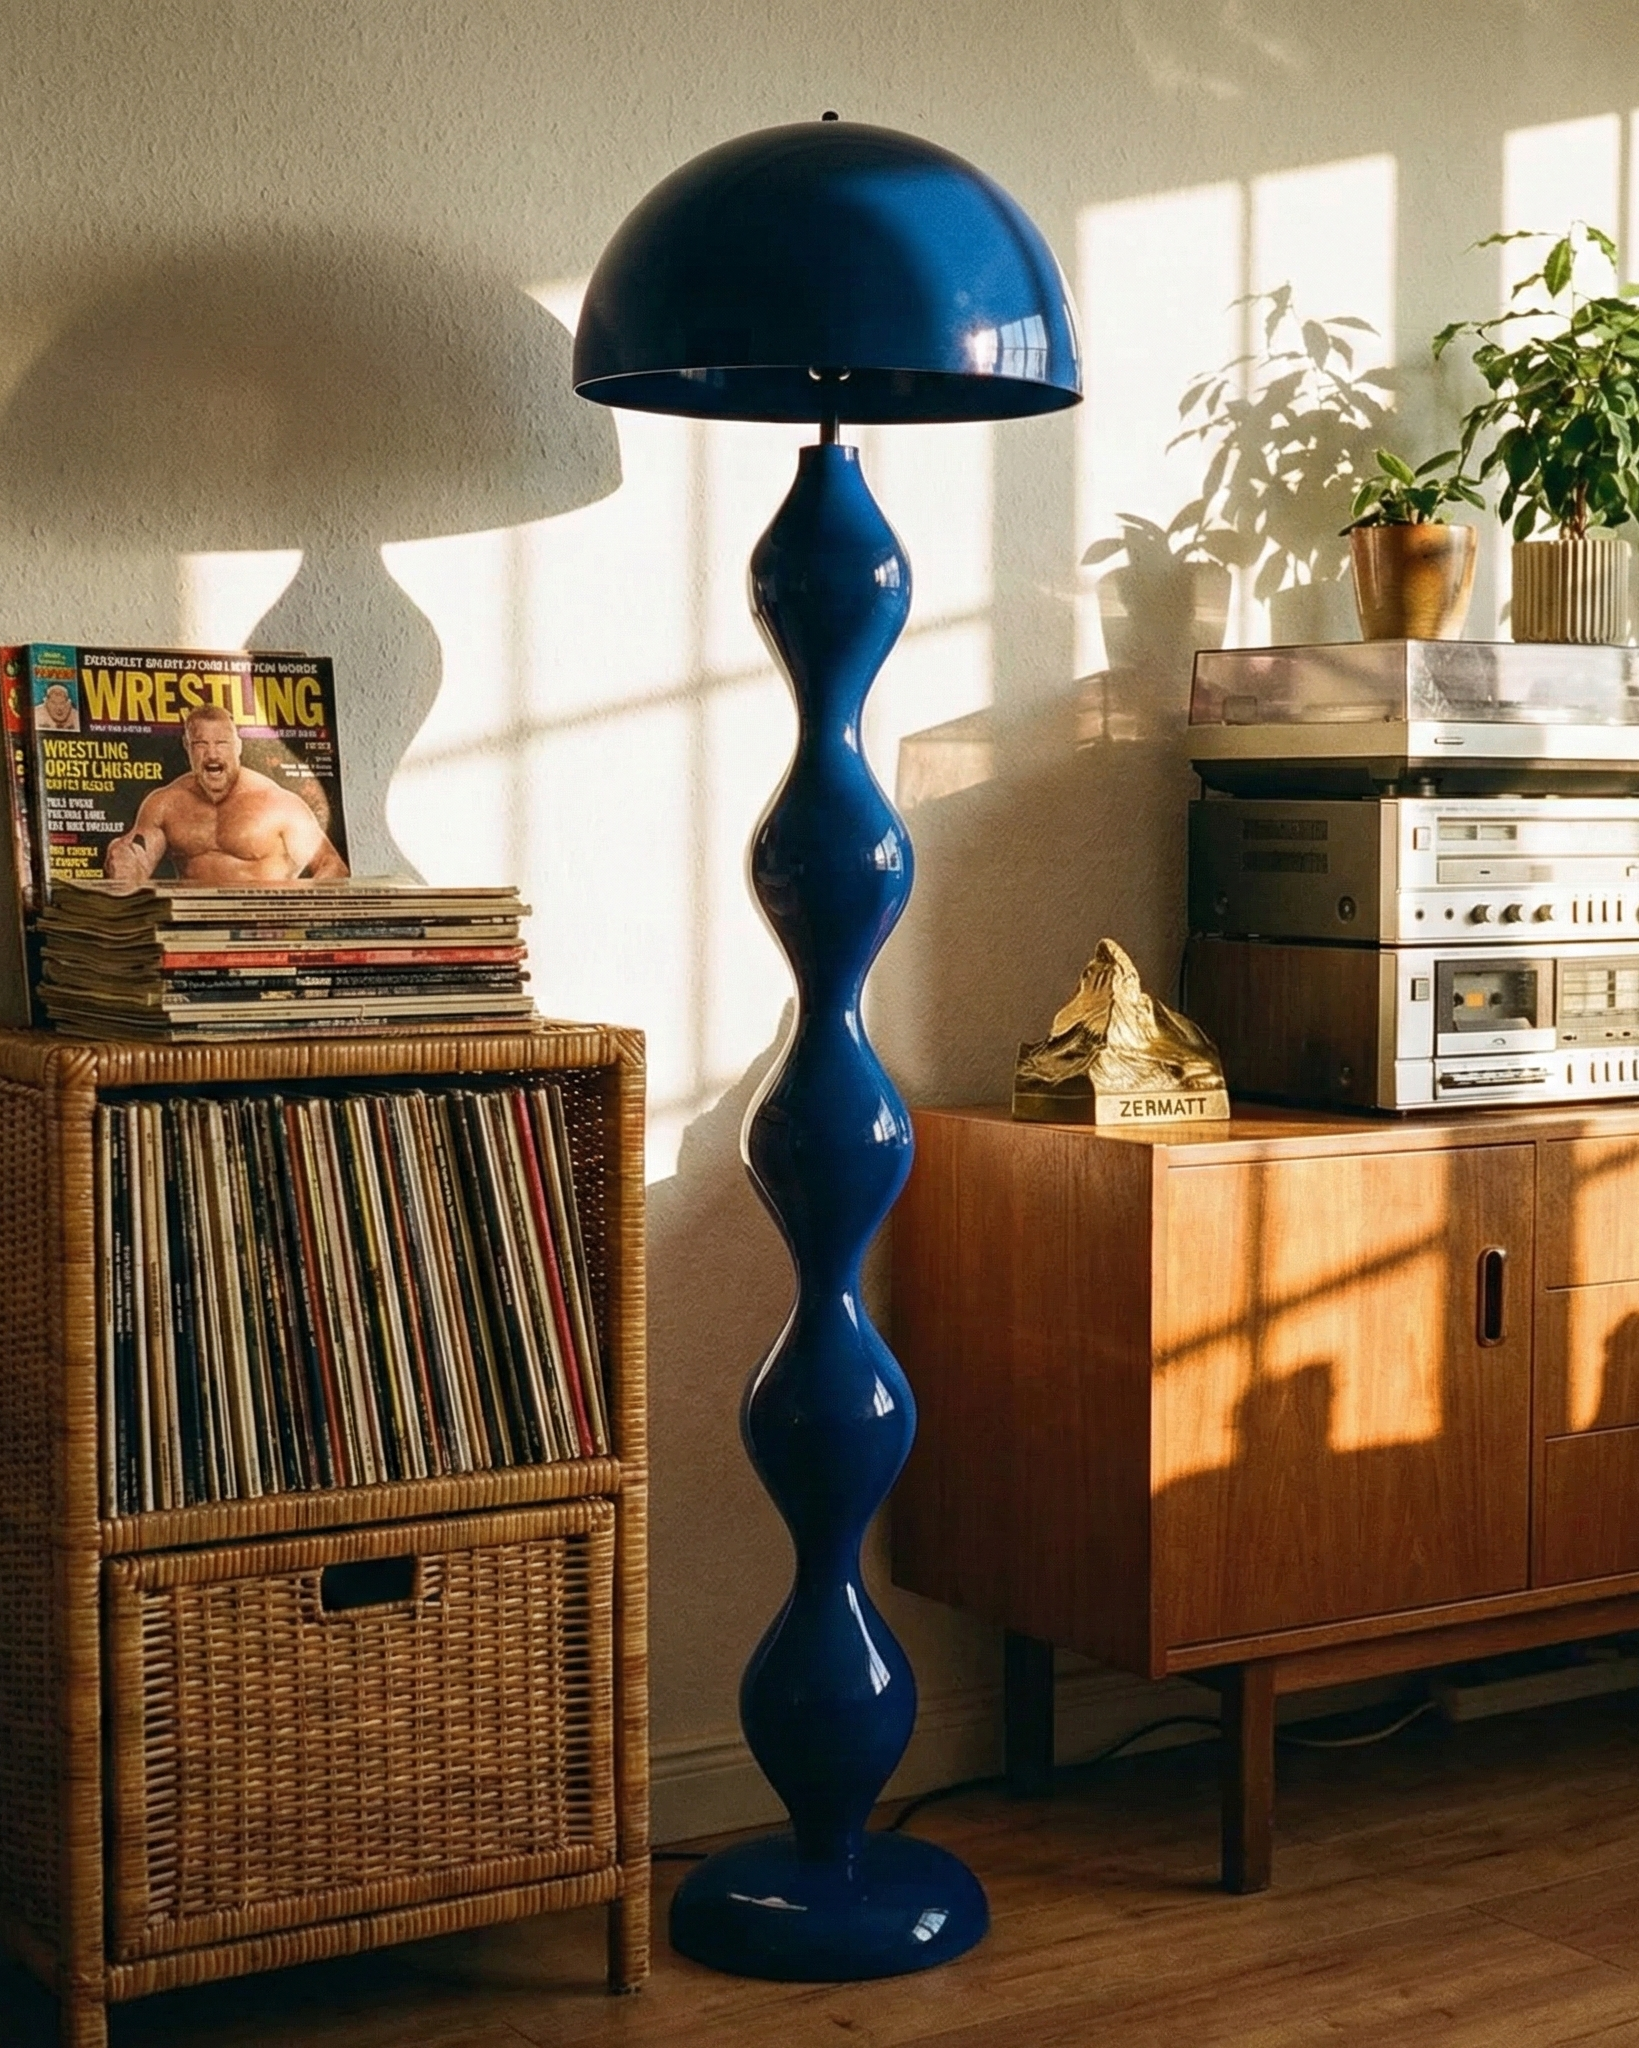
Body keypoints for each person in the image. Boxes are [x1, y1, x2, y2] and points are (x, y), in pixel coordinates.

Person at [104, 703, 348, 883]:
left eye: (221, 743)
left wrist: (301, 914)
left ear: (238, 747)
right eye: (201, 744)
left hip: (267, 931)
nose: (212, 754)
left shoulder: (278, 804)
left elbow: (332, 866)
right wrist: (124, 860)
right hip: (192, 933)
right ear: (187, 748)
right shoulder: (165, 803)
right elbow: (137, 856)